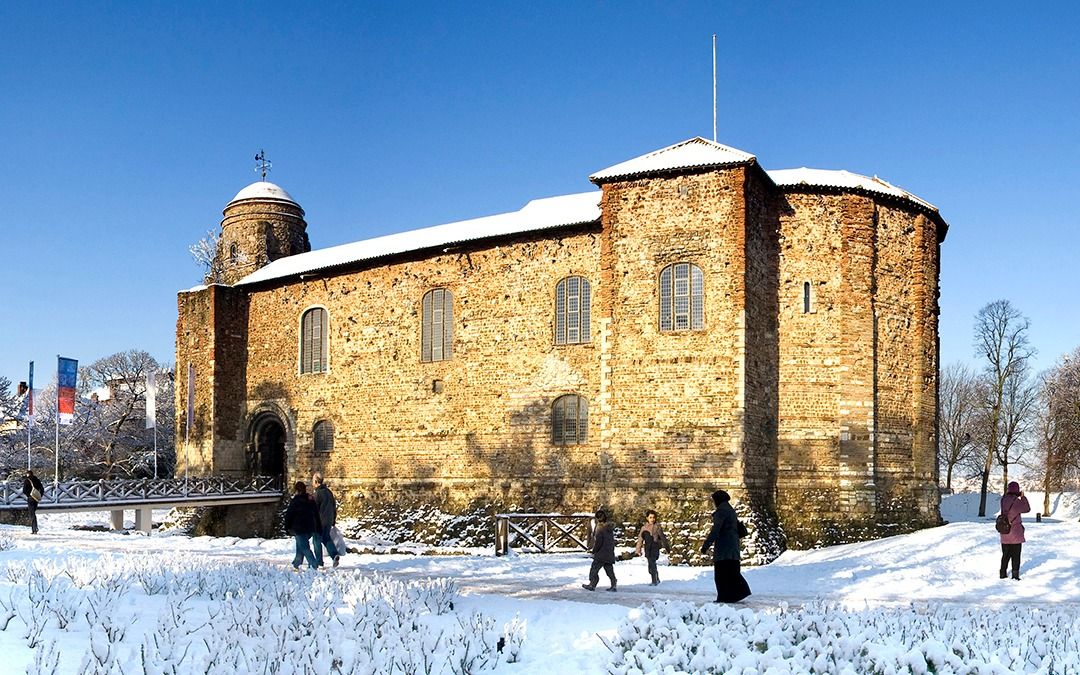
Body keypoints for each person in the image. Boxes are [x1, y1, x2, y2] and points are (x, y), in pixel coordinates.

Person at [701, 489, 751, 603]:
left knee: (721, 574)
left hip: (724, 548)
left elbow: (715, 530)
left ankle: (724, 597)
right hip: (733, 547)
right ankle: (736, 594)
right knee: (732, 572)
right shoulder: (729, 509)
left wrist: (706, 545)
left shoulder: (721, 511)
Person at [283, 481, 321, 571]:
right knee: (300, 545)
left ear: (296, 490)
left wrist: (287, 527)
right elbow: (316, 514)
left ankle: (313, 565)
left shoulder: (295, 501)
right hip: (310, 528)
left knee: (304, 547)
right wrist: (318, 527)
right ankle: (297, 563)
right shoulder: (310, 500)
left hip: (299, 528)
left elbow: (289, 515)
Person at [999, 481, 1031, 580]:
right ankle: (1015, 575)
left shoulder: (1003, 499)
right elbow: (1027, 508)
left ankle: (1002, 573)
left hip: (1004, 531)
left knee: (1005, 555)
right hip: (1015, 533)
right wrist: (1023, 497)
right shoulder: (1016, 501)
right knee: (1016, 556)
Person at [582, 509, 618, 592]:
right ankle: (613, 584)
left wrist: (594, 551)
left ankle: (592, 584)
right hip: (609, 552)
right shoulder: (609, 528)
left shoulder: (600, 528)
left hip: (601, 553)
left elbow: (598, 542)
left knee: (594, 569)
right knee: (609, 569)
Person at [311, 472, 341, 568]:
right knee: (326, 538)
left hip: (319, 521)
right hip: (328, 520)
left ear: (316, 481)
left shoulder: (317, 494)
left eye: (313, 480)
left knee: (316, 541)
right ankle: (334, 554)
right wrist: (333, 520)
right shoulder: (328, 492)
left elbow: (314, 509)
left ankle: (319, 562)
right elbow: (333, 506)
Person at [635, 509, 670, 585]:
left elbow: (663, 537)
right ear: (647, 518)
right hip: (647, 549)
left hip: (655, 548)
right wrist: (638, 550)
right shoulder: (644, 528)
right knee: (650, 566)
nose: (652, 519)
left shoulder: (657, 527)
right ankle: (656, 578)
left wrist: (667, 547)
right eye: (650, 517)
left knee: (652, 564)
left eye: (653, 517)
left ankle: (654, 581)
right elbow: (640, 539)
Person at [22, 470, 44, 534]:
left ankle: (34, 528)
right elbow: (42, 489)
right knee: (33, 512)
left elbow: (24, 490)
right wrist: (40, 495)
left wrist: (28, 495)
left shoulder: (27, 480)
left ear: (27, 474)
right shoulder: (37, 480)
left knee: (32, 514)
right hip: (36, 498)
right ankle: (35, 528)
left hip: (30, 498)